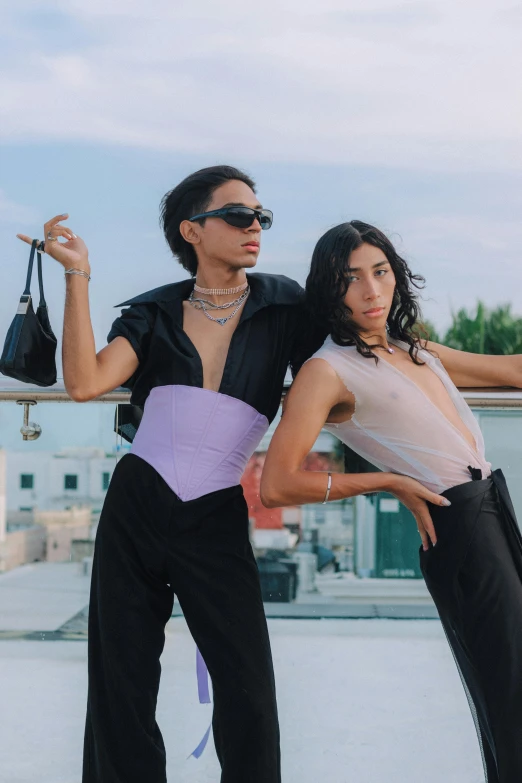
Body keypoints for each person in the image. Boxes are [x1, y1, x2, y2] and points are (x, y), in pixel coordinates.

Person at [17, 165, 305, 783]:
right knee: (121, 684)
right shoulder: (152, 313)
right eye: (237, 215)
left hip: (217, 513)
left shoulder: (287, 306)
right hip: (138, 503)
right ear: (192, 230)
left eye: (261, 216)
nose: (255, 226)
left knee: (248, 690)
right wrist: (77, 275)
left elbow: (358, 360)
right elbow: (87, 381)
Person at [260, 219, 522, 783]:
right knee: (511, 696)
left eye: (380, 272)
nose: (371, 290)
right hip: (457, 527)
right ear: (329, 291)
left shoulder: (414, 350)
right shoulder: (326, 371)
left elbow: (515, 372)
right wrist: (387, 483)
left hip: (495, 511)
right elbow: (277, 484)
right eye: (351, 279)